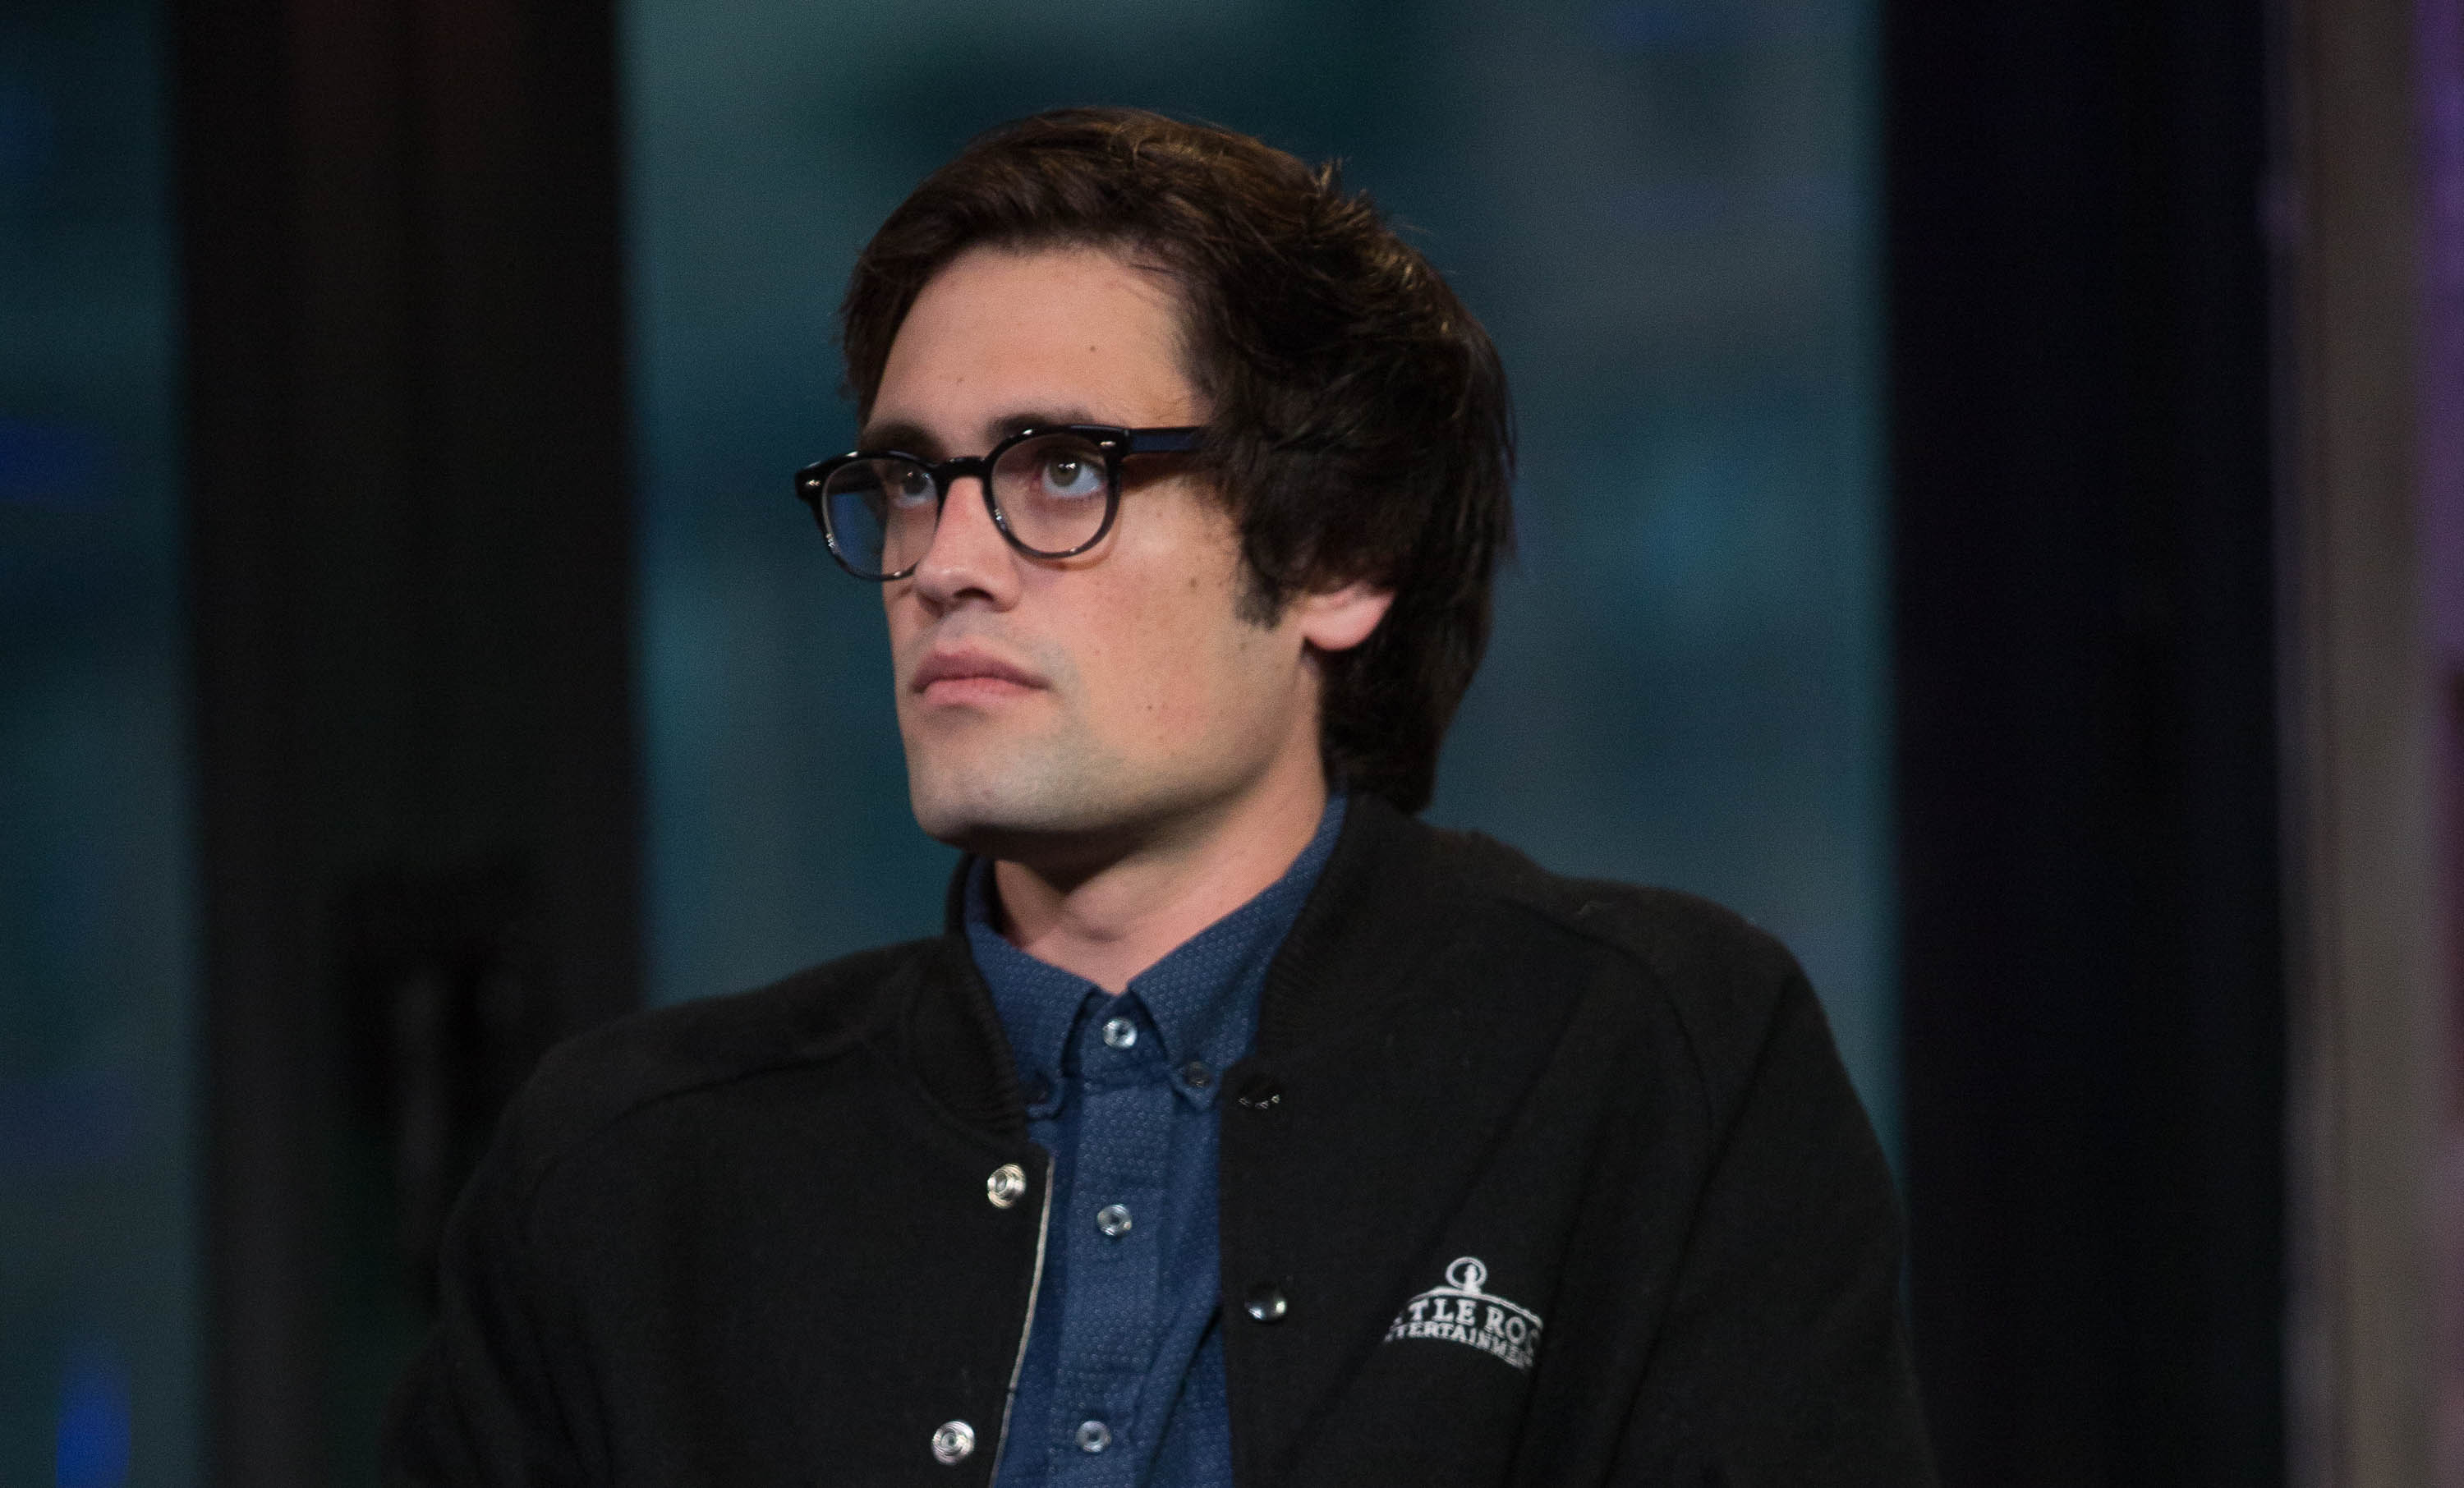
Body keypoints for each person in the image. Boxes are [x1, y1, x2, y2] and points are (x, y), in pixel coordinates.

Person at [385, 108, 1933, 1486]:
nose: (945, 562)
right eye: (910, 480)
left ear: (1337, 555)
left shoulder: (1646, 1058)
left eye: (1061, 470)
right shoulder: (630, 1175)